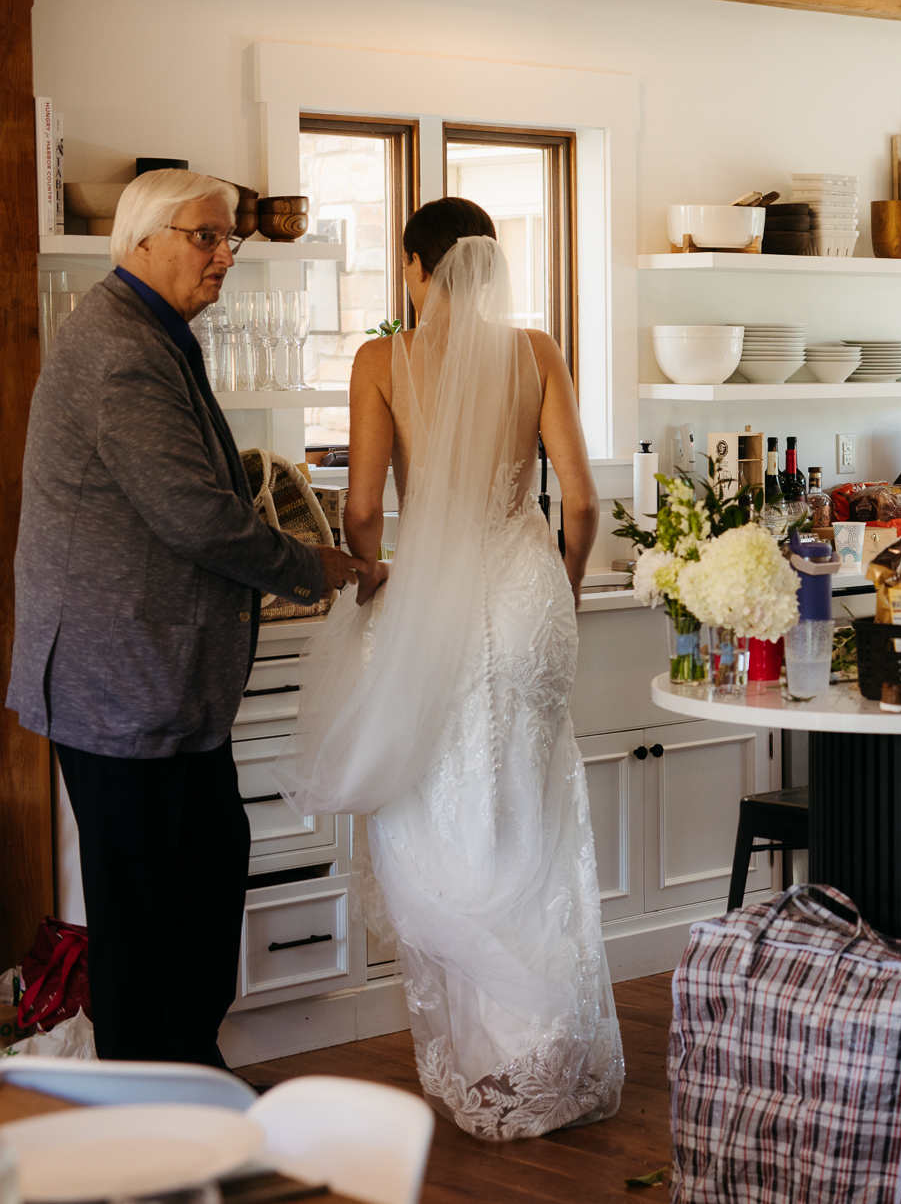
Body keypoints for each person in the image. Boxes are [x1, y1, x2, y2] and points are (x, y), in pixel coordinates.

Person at [278, 200, 623, 1139]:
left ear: (415, 269)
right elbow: (582, 502)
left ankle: (490, 1051)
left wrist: (378, 577)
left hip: (431, 592)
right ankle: (545, 1045)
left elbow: (358, 513)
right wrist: (569, 583)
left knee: (439, 807)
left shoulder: (382, 361)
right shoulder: (535, 349)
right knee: (530, 801)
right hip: (525, 592)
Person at [7, 169, 366, 1066]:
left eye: (230, 239)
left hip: (159, 688)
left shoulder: (152, 331)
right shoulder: (123, 347)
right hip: (121, 683)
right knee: (143, 917)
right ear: (143, 240)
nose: (224, 256)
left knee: (202, 881)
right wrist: (311, 566)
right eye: (206, 236)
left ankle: (190, 1074)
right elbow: (197, 514)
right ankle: (153, 1109)